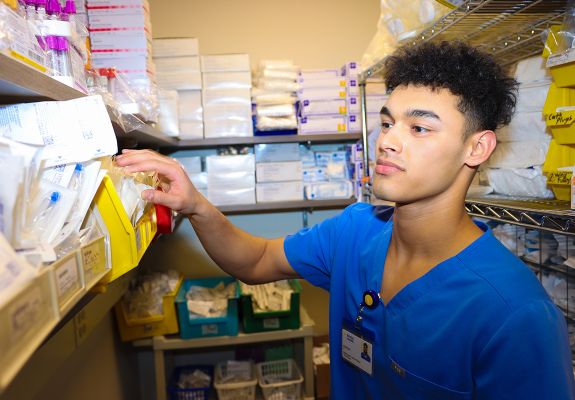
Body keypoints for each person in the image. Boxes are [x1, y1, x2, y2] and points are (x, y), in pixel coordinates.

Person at [115, 41, 575, 399]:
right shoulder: (357, 230)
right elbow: (255, 261)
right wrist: (196, 205)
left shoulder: (515, 315)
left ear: (477, 148)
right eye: (388, 121)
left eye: (419, 128)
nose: (388, 140)